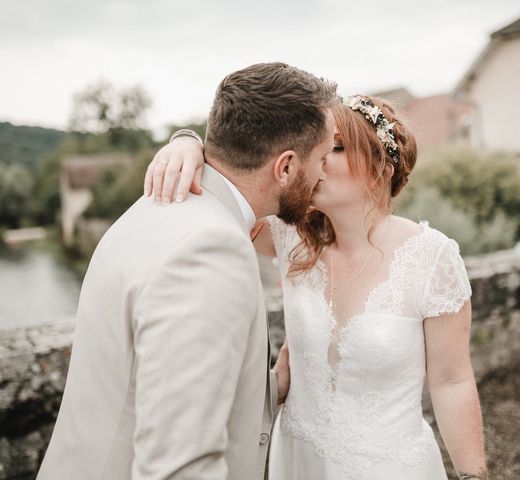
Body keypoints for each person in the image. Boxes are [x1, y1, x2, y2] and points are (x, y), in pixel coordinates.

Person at [146, 95, 488, 480]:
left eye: (337, 148)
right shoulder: (288, 235)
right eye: (319, 147)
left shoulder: (432, 258)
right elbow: (218, 194)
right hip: (296, 459)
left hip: (390, 466)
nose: (318, 159)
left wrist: (473, 476)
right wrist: (187, 143)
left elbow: (451, 381)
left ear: (383, 167)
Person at [37, 62, 337, 480]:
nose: (326, 171)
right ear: (285, 167)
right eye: (323, 156)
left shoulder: (152, 208)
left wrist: (270, 390)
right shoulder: (210, 249)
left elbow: (151, 380)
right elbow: (179, 466)